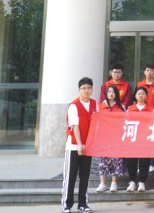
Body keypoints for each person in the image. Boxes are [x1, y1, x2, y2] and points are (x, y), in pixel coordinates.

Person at [62, 77, 96, 213]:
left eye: (89, 88)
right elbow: (75, 126)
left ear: (92, 89)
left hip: (88, 146)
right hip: (74, 146)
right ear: (79, 90)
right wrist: (80, 144)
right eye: (83, 88)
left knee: (85, 176)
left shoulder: (94, 104)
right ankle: (66, 204)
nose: (86, 91)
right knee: (70, 176)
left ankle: (83, 204)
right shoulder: (74, 105)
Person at [96, 85, 127, 193]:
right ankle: (103, 183)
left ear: (116, 94)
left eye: (113, 92)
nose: (111, 93)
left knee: (116, 160)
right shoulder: (100, 106)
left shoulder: (121, 107)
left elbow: (125, 122)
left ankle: (114, 183)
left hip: (116, 137)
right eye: (109, 91)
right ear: (106, 93)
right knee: (102, 160)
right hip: (103, 137)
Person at [137, 63, 154, 173]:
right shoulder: (140, 84)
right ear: (144, 72)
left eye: (151, 70)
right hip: (141, 116)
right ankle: (141, 164)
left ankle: (152, 163)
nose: (149, 72)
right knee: (141, 140)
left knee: (152, 139)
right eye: (147, 70)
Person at [126, 86, 153, 192]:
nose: (141, 95)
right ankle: (132, 181)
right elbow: (126, 122)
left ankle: (142, 182)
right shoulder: (130, 108)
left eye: (143, 94)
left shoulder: (151, 109)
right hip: (133, 138)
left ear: (146, 96)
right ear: (135, 96)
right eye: (138, 94)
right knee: (131, 160)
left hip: (145, 139)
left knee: (144, 161)